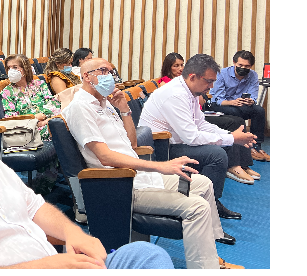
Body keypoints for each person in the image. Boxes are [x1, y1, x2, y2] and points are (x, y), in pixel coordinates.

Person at [0, 78, 174, 269]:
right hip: (45, 264)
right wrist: (47, 265)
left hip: (52, 260)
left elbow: (34, 206)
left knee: (147, 255)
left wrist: (75, 234)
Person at [63, 57, 238, 269]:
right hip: (120, 184)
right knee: (198, 207)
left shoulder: (106, 103)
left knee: (203, 183)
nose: (110, 76)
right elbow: (105, 157)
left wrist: (125, 110)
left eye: (111, 71)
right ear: (86, 76)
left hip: (139, 176)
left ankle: (209, 254)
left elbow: (132, 143)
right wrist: (162, 166)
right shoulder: (80, 107)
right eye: (103, 71)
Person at [140, 54, 258, 220]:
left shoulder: (190, 91)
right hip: (160, 148)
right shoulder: (175, 94)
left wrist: (230, 135)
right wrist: (232, 138)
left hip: (174, 141)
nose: (211, 86)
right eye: (208, 81)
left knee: (221, 146)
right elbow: (191, 137)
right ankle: (206, 207)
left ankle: (210, 203)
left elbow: (201, 124)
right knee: (216, 155)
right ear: (193, 76)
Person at [207, 50, 270, 164]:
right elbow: (217, 99)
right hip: (221, 105)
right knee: (234, 111)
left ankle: (256, 146)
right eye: (240, 65)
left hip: (241, 105)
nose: (243, 68)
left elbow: (253, 96)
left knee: (259, 111)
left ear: (251, 66)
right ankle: (245, 146)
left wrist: (251, 101)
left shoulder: (253, 75)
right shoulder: (222, 73)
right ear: (234, 63)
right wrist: (232, 102)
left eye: (247, 66)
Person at [0, 53, 63, 132]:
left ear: (25, 69)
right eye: (9, 68)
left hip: (49, 121)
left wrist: (45, 118)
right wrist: (34, 119)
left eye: (15, 67)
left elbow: (53, 104)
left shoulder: (39, 84)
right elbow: (11, 118)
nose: (11, 71)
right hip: (28, 130)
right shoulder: (7, 92)